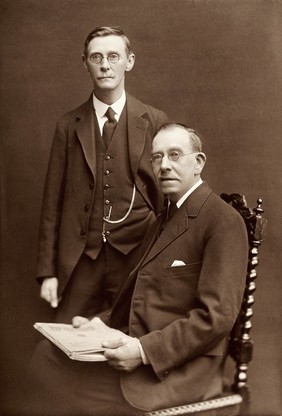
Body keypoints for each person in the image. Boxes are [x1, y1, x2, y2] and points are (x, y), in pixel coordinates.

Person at [27, 123, 249, 416]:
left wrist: (142, 351)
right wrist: (100, 323)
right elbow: (138, 296)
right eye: (157, 157)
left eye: (174, 155)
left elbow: (216, 317)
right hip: (140, 348)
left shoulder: (223, 221)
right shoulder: (164, 218)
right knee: (46, 357)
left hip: (179, 369)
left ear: (198, 163)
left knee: (53, 378)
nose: (164, 166)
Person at [37, 26, 168, 322]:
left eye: (113, 56)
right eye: (96, 57)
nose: (105, 65)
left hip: (137, 255)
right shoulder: (68, 125)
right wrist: (48, 272)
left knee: (129, 337)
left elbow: (167, 196)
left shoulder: (154, 121)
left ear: (129, 61)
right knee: (63, 342)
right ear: (85, 63)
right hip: (84, 257)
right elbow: (51, 203)